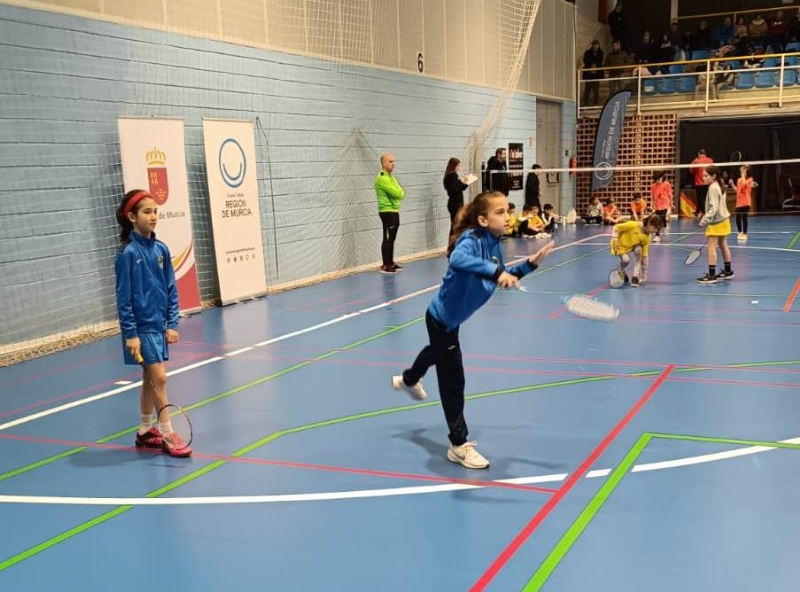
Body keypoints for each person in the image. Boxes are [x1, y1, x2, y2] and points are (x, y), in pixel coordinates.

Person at [391, 191, 554, 469]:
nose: (508, 216)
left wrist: (530, 264)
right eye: (500, 212)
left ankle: (408, 379)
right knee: (453, 381)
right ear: (482, 219)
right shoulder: (471, 240)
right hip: (441, 319)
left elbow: (502, 273)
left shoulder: (493, 244)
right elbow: (457, 260)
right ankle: (458, 444)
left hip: (449, 321)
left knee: (436, 352)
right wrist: (495, 274)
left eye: (508, 210)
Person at [115, 189, 192, 458]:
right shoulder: (127, 254)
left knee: (149, 378)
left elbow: (171, 288)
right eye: (147, 212)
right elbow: (123, 298)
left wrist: (172, 323)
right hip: (141, 330)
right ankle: (168, 432)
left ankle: (145, 431)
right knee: (159, 377)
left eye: (156, 211)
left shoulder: (161, 250)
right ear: (132, 217)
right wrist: (130, 333)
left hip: (159, 326)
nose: (154, 216)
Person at [697, 165, 734, 284]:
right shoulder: (719, 184)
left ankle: (711, 276)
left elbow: (714, 208)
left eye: (706, 176)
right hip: (725, 220)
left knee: (711, 247)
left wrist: (704, 219)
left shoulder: (713, 187)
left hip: (716, 222)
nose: (703, 178)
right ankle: (728, 271)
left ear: (713, 176)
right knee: (723, 245)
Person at [611, 214, 664, 288]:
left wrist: (644, 274)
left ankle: (635, 277)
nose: (655, 231)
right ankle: (620, 269)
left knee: (639, 249)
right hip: (620, 244)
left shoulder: (648, 237)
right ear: (649, 224)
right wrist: (615, 239)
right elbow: (616, 227)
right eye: (655, 228)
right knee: (626, 260)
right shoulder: (633, 225)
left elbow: (644, 257)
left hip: (633, 246)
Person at [375, 153, 405, 274]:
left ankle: (391, 262)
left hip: (394, 210)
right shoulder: (383, 178)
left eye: (393, 161)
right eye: (390, 161)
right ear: (383, 163)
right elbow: (397, 193)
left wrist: (399, 193)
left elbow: (401, 192)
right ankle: (385, 265)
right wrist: (398, 193)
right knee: (387, 238)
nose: (393, 164)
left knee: (391, 238)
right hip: (386, 211)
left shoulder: (392, 177)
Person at [443, 157, 470, 237]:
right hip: (454, 203)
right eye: (457, 166)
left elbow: (460, 188)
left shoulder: (453, 176)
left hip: (457, 202)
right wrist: (463, 183)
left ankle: (455, 241)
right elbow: (456, 189)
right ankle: (452, 242)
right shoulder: (450, 177)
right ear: (453, 166)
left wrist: (466, 183)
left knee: (458, 223)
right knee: (455, 224)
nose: (459, 167)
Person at [690, 149, 714, 217]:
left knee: (700, 198)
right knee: (707, 197)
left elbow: (691, 171)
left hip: (699, 183)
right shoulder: (711, 160)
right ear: (705, 154)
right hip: (708, 182)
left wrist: (693, 162)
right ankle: (698, 211)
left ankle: (704, 212)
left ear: (698, 154)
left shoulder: (696, 161)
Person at [735, 164, 755, 241]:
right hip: (739, 202)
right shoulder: (739, 180)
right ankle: (740, 232)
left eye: (744, 169)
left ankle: (745, 233)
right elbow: (738, 191)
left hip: (746, 201)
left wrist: (743, 174)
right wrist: (732, 184)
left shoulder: (750, 179)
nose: (742, 170)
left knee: (744, 217)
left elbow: (744, 184)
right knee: (737, 218)